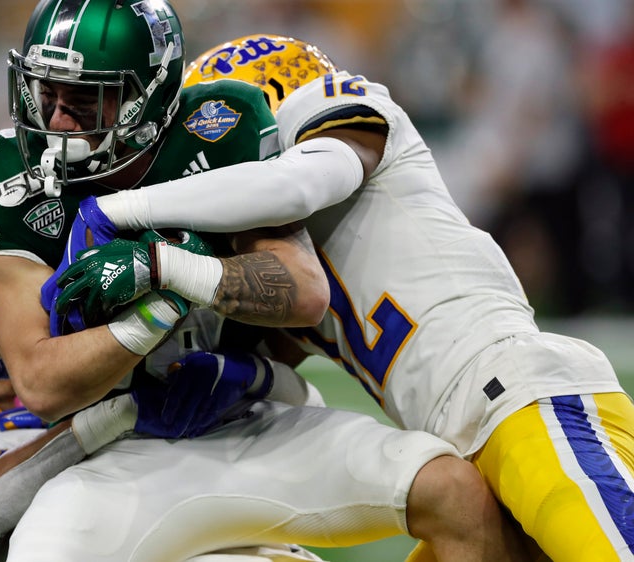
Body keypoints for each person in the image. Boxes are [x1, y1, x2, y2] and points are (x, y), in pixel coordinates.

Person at [0, 2, 529, 560]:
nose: (55, 119)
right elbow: (44, 383)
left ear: (147, 98)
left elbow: (302, 292)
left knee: (456, 494)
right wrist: (162, 305)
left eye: (84, 98)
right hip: (115, 450)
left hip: (248, 418)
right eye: (44, 92)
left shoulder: (218, 128)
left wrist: (165, 268)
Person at [56, 33, 634, 560]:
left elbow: (300, 182)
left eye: (216, 128)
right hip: (467, 463)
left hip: (524, 398)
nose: (205, 154)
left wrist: (122, 211)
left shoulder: (336, 116)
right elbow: (254, 376)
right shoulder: (277, 254)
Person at [0, 295, 332, 562]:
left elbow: (311, 425)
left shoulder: (151, 395)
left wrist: (255, 376)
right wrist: (109, 418)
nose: (16, 385)